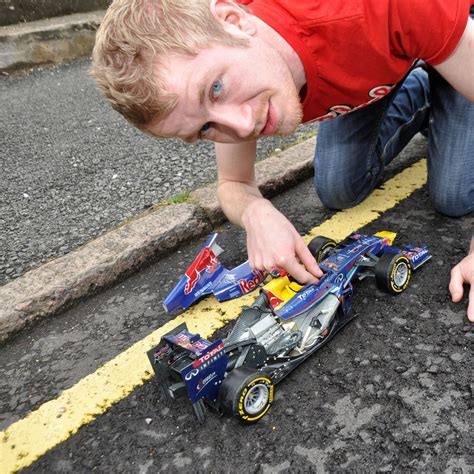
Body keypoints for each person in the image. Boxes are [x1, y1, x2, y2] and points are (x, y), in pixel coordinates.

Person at [90, 0, 474, 321]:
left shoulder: (378, 7)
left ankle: (449, 73)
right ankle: (424, 83)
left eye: (217, 88)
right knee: (339, 188)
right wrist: (257, 212)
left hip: (456, 33)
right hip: (389, 52)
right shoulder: (232, 74)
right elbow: (234, 183)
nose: (242, 126)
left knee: (453, 195)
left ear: (235, 22)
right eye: (205, 129)